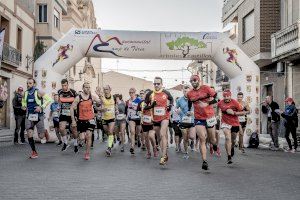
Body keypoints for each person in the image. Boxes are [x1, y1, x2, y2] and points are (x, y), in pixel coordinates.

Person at [187, 75, 218, 170]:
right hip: (198, 118)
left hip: (209, 117)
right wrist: (189, 110)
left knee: (212, 139)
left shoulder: (206, 88)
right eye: (191, 81)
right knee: (202, 139)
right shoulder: (190, 93)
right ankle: (204, 161)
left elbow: (216, 99)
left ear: (199, 80)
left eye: (194, 80)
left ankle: (214, 144)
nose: (193, 82)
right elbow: (189, 102)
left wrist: (207, 103)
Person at [145, 77, 173, 165]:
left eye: (158, 83)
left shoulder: (166, 92)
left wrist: (169, 106)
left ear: (161, 84)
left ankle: (163, 156)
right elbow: (145, 107)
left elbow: (171, 100)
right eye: (155, 84)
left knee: (162, 134)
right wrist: (151, 106)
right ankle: (165, 154)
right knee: (159, 137)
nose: (156, 85)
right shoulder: (150, 94)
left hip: (165, 117)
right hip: (155, 119)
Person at [21, 78, 52, 159]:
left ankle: (44, 132)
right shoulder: (25, 93)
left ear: (34, 84)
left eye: (30, 83)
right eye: (27, 83)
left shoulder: (39, 92)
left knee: (41, 137)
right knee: (29, 134)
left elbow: (49, 100)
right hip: (29, 116)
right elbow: (23, 102)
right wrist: (23, 106)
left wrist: (41, 107)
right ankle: (34, 152)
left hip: (39, 116)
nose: (28, 85)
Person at [70, 82, 101, 160]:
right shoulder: (78, 97)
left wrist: (100, 97)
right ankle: (79, 141)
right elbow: (71, 108)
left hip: (90, 119)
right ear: (83, 88)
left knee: (89, 135)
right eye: (86, 87)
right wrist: (73, 120)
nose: (88, 89)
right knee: (82, 137)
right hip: (81, 120)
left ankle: (87, 153)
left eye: (89, 87)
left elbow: (99, 103)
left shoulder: (92, 96)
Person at [217, 90, 245, 164]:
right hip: (225, 123)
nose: (226, 97)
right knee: (227, 138)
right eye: (225, 96)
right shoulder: (220, 103)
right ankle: (229, 156)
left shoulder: (235, 102)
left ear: (230, 96)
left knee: (233, 140)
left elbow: (242, 111)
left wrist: (234, 113)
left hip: (234, 123)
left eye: (228, 96)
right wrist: (217, 115)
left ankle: (232, 147)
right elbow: (217, 108)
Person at [57, 79, 78, 153]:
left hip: (71, 113)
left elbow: (77, 102)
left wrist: (75, 110)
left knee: (74, 130)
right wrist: (59, 107)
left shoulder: (73, 92)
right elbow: (59, 101)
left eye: (65, 85)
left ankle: (75, 143)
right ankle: (65, 143)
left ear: (67, 84)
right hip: (63, 113)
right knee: (61, 128)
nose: (63, 87)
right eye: (62, 85)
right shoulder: (59, 91)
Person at [138, 89, 158, 159]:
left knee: (151, 136)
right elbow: (139, 110)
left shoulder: (153, 102)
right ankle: (149, 152)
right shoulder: (142, 103)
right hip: (144, 123)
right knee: (146, 138)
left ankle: (154, 148)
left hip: (152, 122)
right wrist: (139, 113)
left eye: (149, 95)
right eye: (146, 94)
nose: (147, 96)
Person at [177, 85, 196, 159]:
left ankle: (191, 142)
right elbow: (176, 108)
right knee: (185, 138)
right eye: (185, 91)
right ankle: (186, 152)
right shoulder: (179, 100)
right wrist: (177, 111)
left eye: (188, 91)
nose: (186, 93)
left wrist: (193, 112)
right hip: (183, 121)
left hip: (191, 121)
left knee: (192, 136)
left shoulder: (194, 99)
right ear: (183, 91)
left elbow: (197, 108)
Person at [100, 85, 116, 156]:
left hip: (112, 118)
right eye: (104, 89)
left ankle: (109, 148)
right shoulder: (102, 98)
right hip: (104, 118)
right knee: (107, 132)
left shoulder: (114, 97)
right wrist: (101, 109)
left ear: (110, 90)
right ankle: (111, 138)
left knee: (110, 131)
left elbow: (116, 105)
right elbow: (97, 107)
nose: (106, 90)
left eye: (107, 89)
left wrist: (117, 109)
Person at [126, 88, 143, 155]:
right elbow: (127, 110)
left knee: (138, 133)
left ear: (135, 92)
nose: (131, 94)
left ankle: (138, 138)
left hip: (138, 118)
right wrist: (127, 118)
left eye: (132, 92)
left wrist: (135, 108)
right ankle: (132, 147)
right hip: (131, 118)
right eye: (130, 92)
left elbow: (141, 109)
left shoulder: (139, 100)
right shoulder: (128, 101)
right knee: (132, 132)